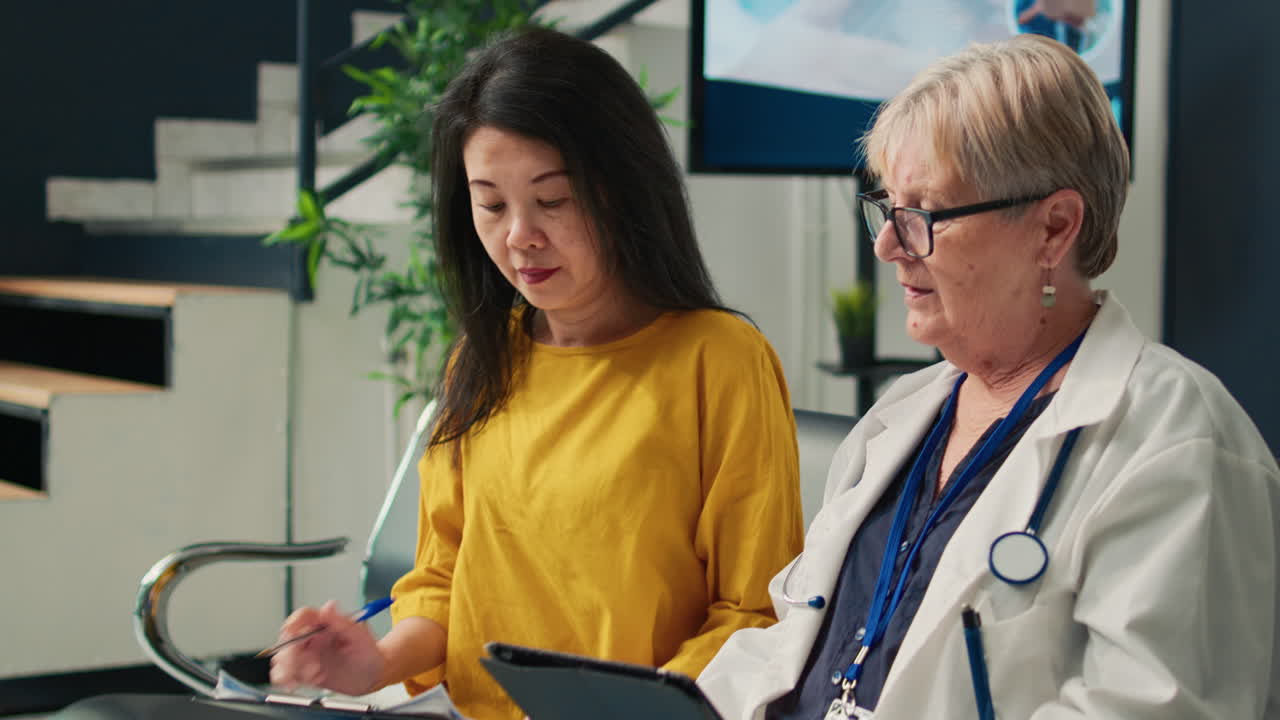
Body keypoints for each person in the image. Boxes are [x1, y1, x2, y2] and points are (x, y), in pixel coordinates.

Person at [699, 34, 1280, 720]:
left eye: (922, 215)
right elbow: (794, 648)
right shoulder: (902, 416)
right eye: (887, 208)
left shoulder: (1177, 441)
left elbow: (1152, 706)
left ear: (1054, 229)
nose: (888, 245)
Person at [268, 25, 804, 720]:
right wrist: (376, 662)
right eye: (490, 204)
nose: (519, 235)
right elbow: (442, 578)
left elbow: (754, 611)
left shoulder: (719, 360)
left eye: (551, 200)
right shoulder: (482, 358)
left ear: (624, 190)